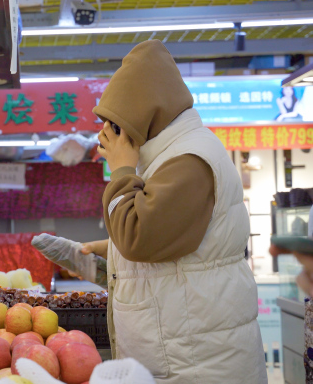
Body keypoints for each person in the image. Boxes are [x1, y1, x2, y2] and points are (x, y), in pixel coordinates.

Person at [80, 40, 265, 383]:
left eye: (116, 124)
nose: (107, 135)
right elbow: (174, 243)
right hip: (185, 354)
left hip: (197, 366)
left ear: (144, 115)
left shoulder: (188, 161)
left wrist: (122, 170)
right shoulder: (170, 156)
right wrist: (111, 251)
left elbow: (140, 238)